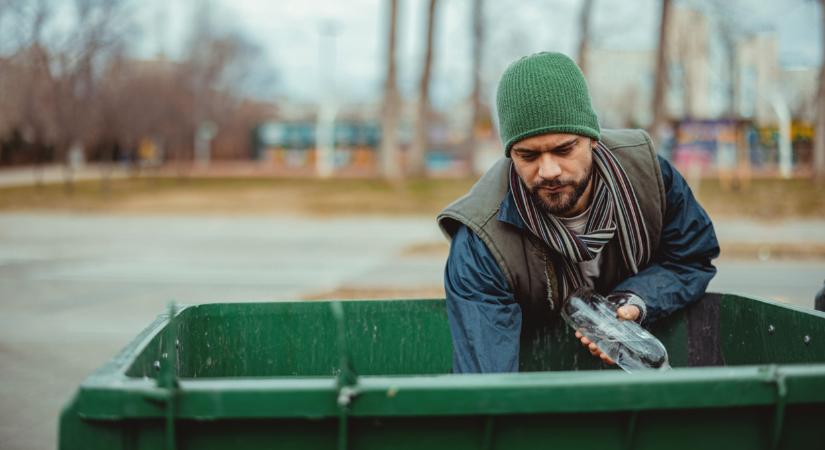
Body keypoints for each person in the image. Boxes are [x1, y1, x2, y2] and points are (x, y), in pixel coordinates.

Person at [437, 52, 719, 373]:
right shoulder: (482, 237)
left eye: (563, 149)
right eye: (527, 155)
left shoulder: (647, 174)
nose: (549, 170)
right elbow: (487, 379)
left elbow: (690, 258)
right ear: (510, 154)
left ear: (592, 138)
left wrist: (635, 301)